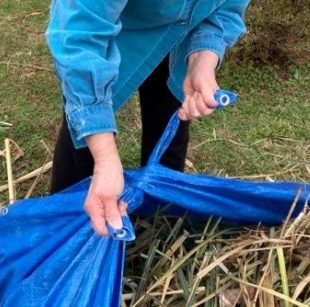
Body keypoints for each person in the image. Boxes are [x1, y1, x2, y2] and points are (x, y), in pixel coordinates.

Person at [46, 0, 249, 236]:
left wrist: (201, 61)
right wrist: (104, 157)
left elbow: (226, 9)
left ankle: (161, 224)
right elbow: (80, 36)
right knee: (83, 141)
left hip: (178, 39)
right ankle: (64, 229)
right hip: (114, 27)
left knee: (170, 127)